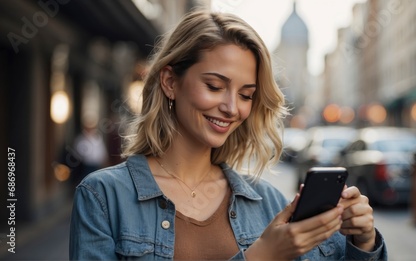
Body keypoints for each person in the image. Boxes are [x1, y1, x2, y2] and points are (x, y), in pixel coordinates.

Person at [69, 10, 387, 260]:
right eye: (215, 86)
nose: (232, 108)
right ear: (170, 82)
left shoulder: (269, 203)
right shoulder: (102, 198)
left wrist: (364, 241)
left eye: (247, 94)